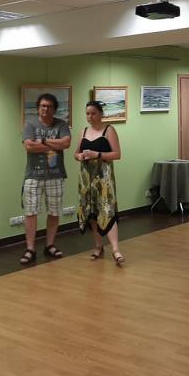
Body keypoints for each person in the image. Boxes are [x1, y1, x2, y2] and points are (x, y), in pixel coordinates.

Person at [19, 93, 72, 264]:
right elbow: (28, 146)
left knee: (54, 212)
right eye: (42, 105)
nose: (45, 109)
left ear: (54, 109)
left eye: (49, 106)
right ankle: (30, 249)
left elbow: (66, 143)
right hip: (33, 176)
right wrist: (52, 143)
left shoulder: (61, 124)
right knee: (31, 212)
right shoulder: (30, 124)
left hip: (56, 175)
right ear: (38, 107)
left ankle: (50, 245)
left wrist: (41, 141)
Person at [74, 101, 125, 266]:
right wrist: (79, 156)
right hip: (86, 179)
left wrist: (97, 154)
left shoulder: (109, 130)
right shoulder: (83, 131)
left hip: (104, 178)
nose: (90, 117)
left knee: (107, 210)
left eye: (93, 113)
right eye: (87, 114)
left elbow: (117, 154)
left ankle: (115, 250)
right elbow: (76, 153)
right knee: (91, 212)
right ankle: (98, 246)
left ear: (101, 114)